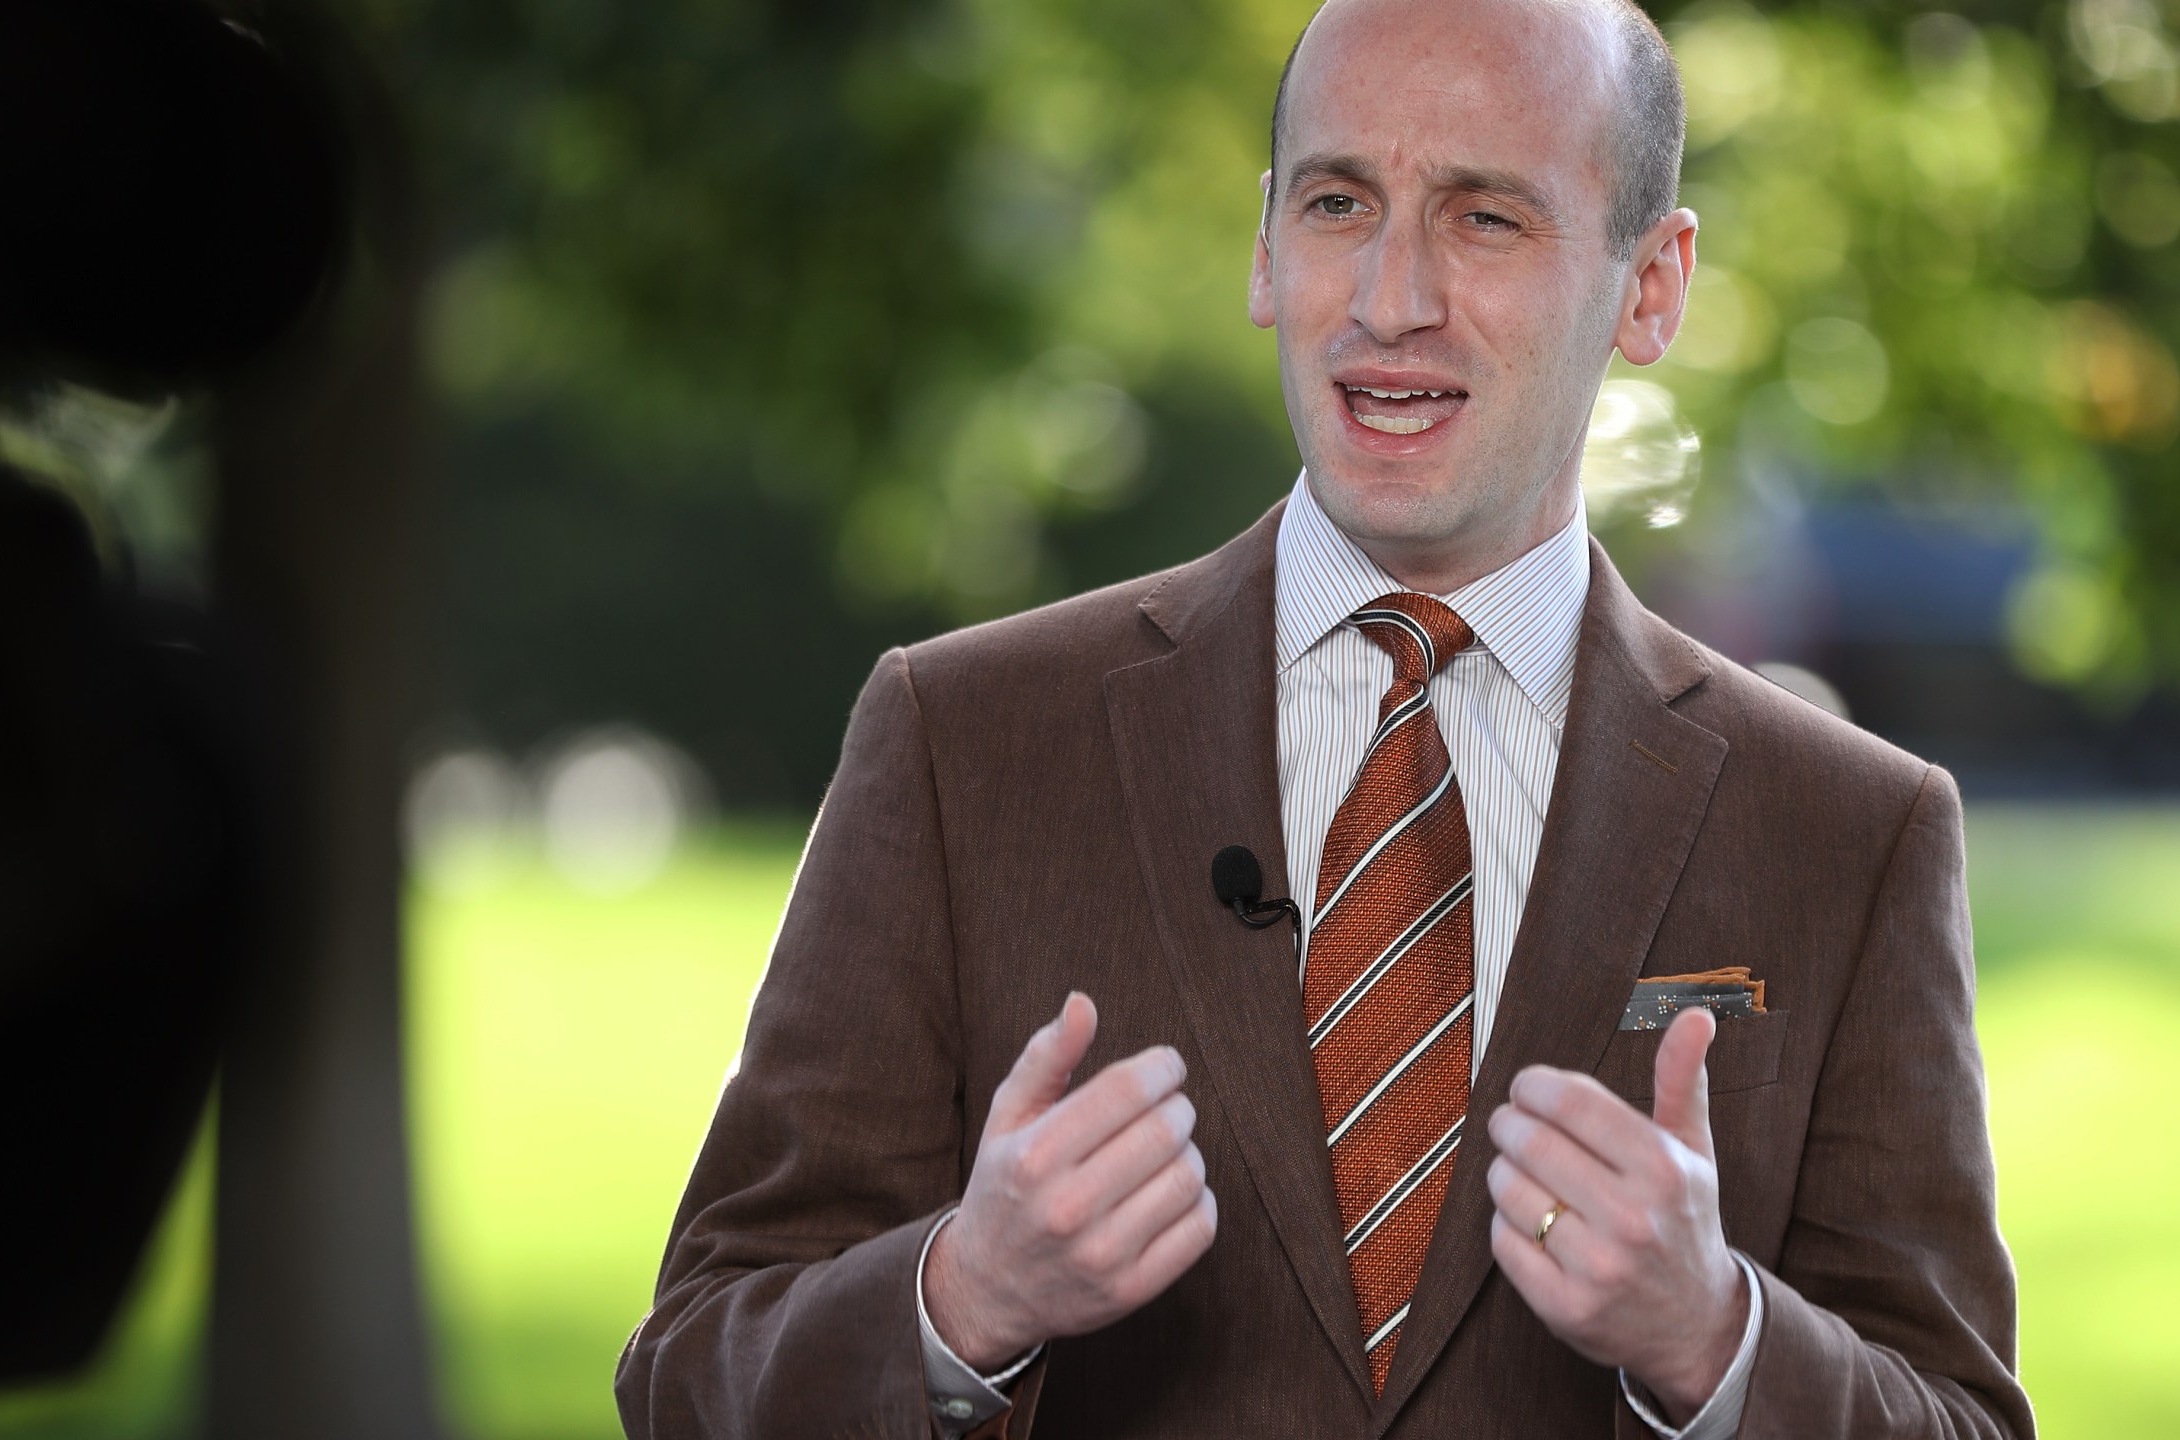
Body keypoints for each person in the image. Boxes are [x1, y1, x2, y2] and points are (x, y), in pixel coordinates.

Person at [614, 0, 2036, 1434]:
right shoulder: (962, 739)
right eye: (1339, 202)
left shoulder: (1853, 832)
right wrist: (960, 1300)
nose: (1390, 297)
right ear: (1264, 246)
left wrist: (1717, 1342)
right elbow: (692, 1372)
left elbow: (1962, 1412)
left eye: (1485, 219)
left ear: (1651, 286)